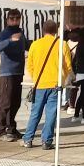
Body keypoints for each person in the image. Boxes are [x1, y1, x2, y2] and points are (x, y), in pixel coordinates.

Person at [21, 20, 72, 150]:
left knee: (35, 113)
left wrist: (36, 78)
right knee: (51, 114)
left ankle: (28, 139)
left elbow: (30, 65)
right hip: (55, 84)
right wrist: (64, 79)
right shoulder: (63, 44)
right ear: (56, 30)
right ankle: (47, 141)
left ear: (43, 30)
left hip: (40, 84)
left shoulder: (35, 45)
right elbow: (68, 66)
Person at [0, 11, 26, 140]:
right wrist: (10, 40)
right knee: (5, 102)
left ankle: (11, 128)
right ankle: (0, 130)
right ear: (7, 20)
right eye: (12, 18)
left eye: (17, 18)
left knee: (16, 102)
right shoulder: (4, 33)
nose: (15, 21)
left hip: (19, 71)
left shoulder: (21, 32)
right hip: (7, 72)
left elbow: (25, 46)